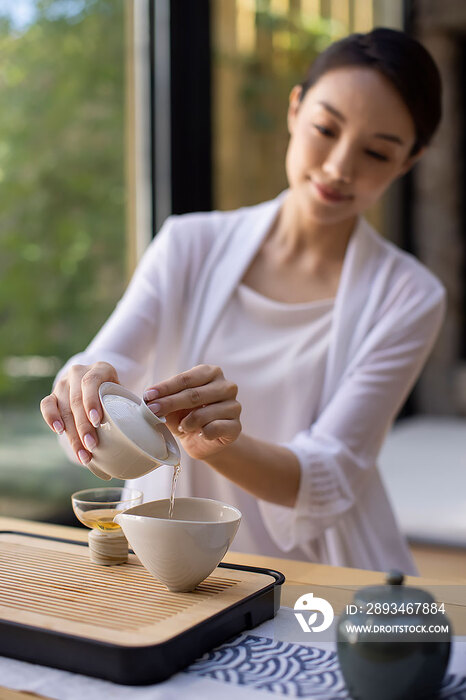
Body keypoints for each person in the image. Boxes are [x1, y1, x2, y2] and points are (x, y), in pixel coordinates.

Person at [41, 28, 445, 575]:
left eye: (376, 152)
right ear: (295, 109)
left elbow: (326, 477)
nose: (339, 167)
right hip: (166, 564)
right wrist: (81, 397)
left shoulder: (410, 296)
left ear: (409, 160)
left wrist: (216, 443)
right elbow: (102, 379)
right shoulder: (188, 244)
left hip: (318, 575)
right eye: (326, 129)